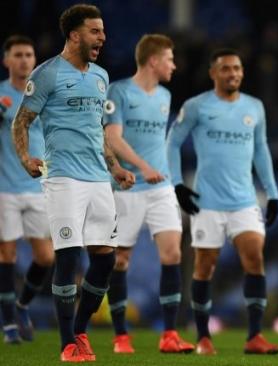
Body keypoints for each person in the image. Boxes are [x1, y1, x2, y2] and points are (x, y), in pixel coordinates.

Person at [11, 4, 135, 362]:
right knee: (67, 257)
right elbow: (21, 121)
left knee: (105, 260)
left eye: (103, 30)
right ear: (74, 35)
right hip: (63, 177)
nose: (103, 37)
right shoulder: (47, 74)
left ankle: (80, 329)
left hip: (98, 179)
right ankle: (67, 343)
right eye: (95, 31)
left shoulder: (100, 76)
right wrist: (25, 158)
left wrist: (114, 168)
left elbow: (98, 130)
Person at [166, 48, 278, 356]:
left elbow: (261, 151)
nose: (233, 73)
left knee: (254, 257)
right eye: (226, 69)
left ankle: (254, 336)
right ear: (213, 73)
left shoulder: (254, 107)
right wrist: (177, 185)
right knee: (205, 267)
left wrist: (272, 193)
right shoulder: (197, 106)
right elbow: (173, 142)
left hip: (244, 200)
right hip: (208, 202)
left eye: (237, 68)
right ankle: (203, 337)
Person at [103, 34, 194, 354]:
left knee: (172, 254)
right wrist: (142, 166)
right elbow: (112, 138)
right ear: (153, 61)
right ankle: (120, 336)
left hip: (161, 187)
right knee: (120, 260)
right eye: (170, 59)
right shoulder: (119, 91)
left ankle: (169, 334)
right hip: (128, 188)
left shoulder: (166, 96)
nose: (174, 65)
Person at [0, 35, 54, 344]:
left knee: (45, 257)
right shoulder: (1, 96)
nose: (23, 59)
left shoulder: (42, 98)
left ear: (34, 60)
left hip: (37, 187)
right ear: (7, 60)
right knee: (6, 254)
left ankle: (21, 306)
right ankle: (8, 326)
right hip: (5, 187)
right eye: (17, 54)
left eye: (28, 54)